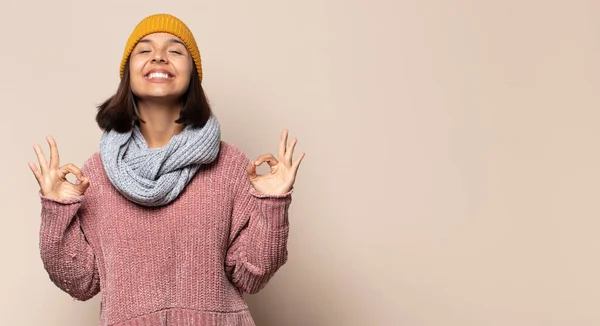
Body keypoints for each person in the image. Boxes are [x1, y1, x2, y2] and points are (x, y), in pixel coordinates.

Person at [28, 13, 304, 326]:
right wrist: (56, 210)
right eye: (144, 50)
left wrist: (272, 205)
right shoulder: (98, 174)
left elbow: (251, 277)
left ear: (193, 74)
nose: (159, 56)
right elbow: (80, 282)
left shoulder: (229, 166)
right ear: (127, 74)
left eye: (175, 50)